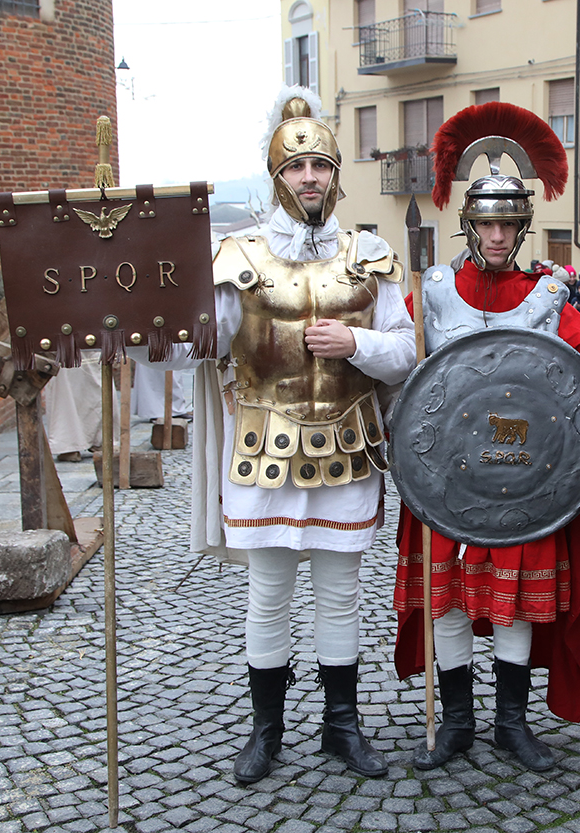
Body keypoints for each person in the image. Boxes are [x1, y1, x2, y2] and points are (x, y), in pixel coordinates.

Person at [144, 88, 416, 783]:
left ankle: (341, 726)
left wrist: (354, 339)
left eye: (321, 165)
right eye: (297, 169)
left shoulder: (370, 253)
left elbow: (406, 351)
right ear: (276, 177)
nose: (310, 178)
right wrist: (148, 321)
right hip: (263, 448)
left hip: (350, 446)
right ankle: (265, 731)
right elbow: (193, 347)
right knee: (266, 595)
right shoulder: (240, 255)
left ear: (335, 174)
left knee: (340, 593)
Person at [392, 101, 580, 773]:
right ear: (470, 224)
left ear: (521, 228)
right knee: (451, 598)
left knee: (513, 603)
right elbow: (398, 372)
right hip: (444, 481)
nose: (496, 234)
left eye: (508, 223)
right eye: (486, 222)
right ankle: (457, 720)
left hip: (526, 481)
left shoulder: (549, 299)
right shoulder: (431, 293)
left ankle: (511, 722)